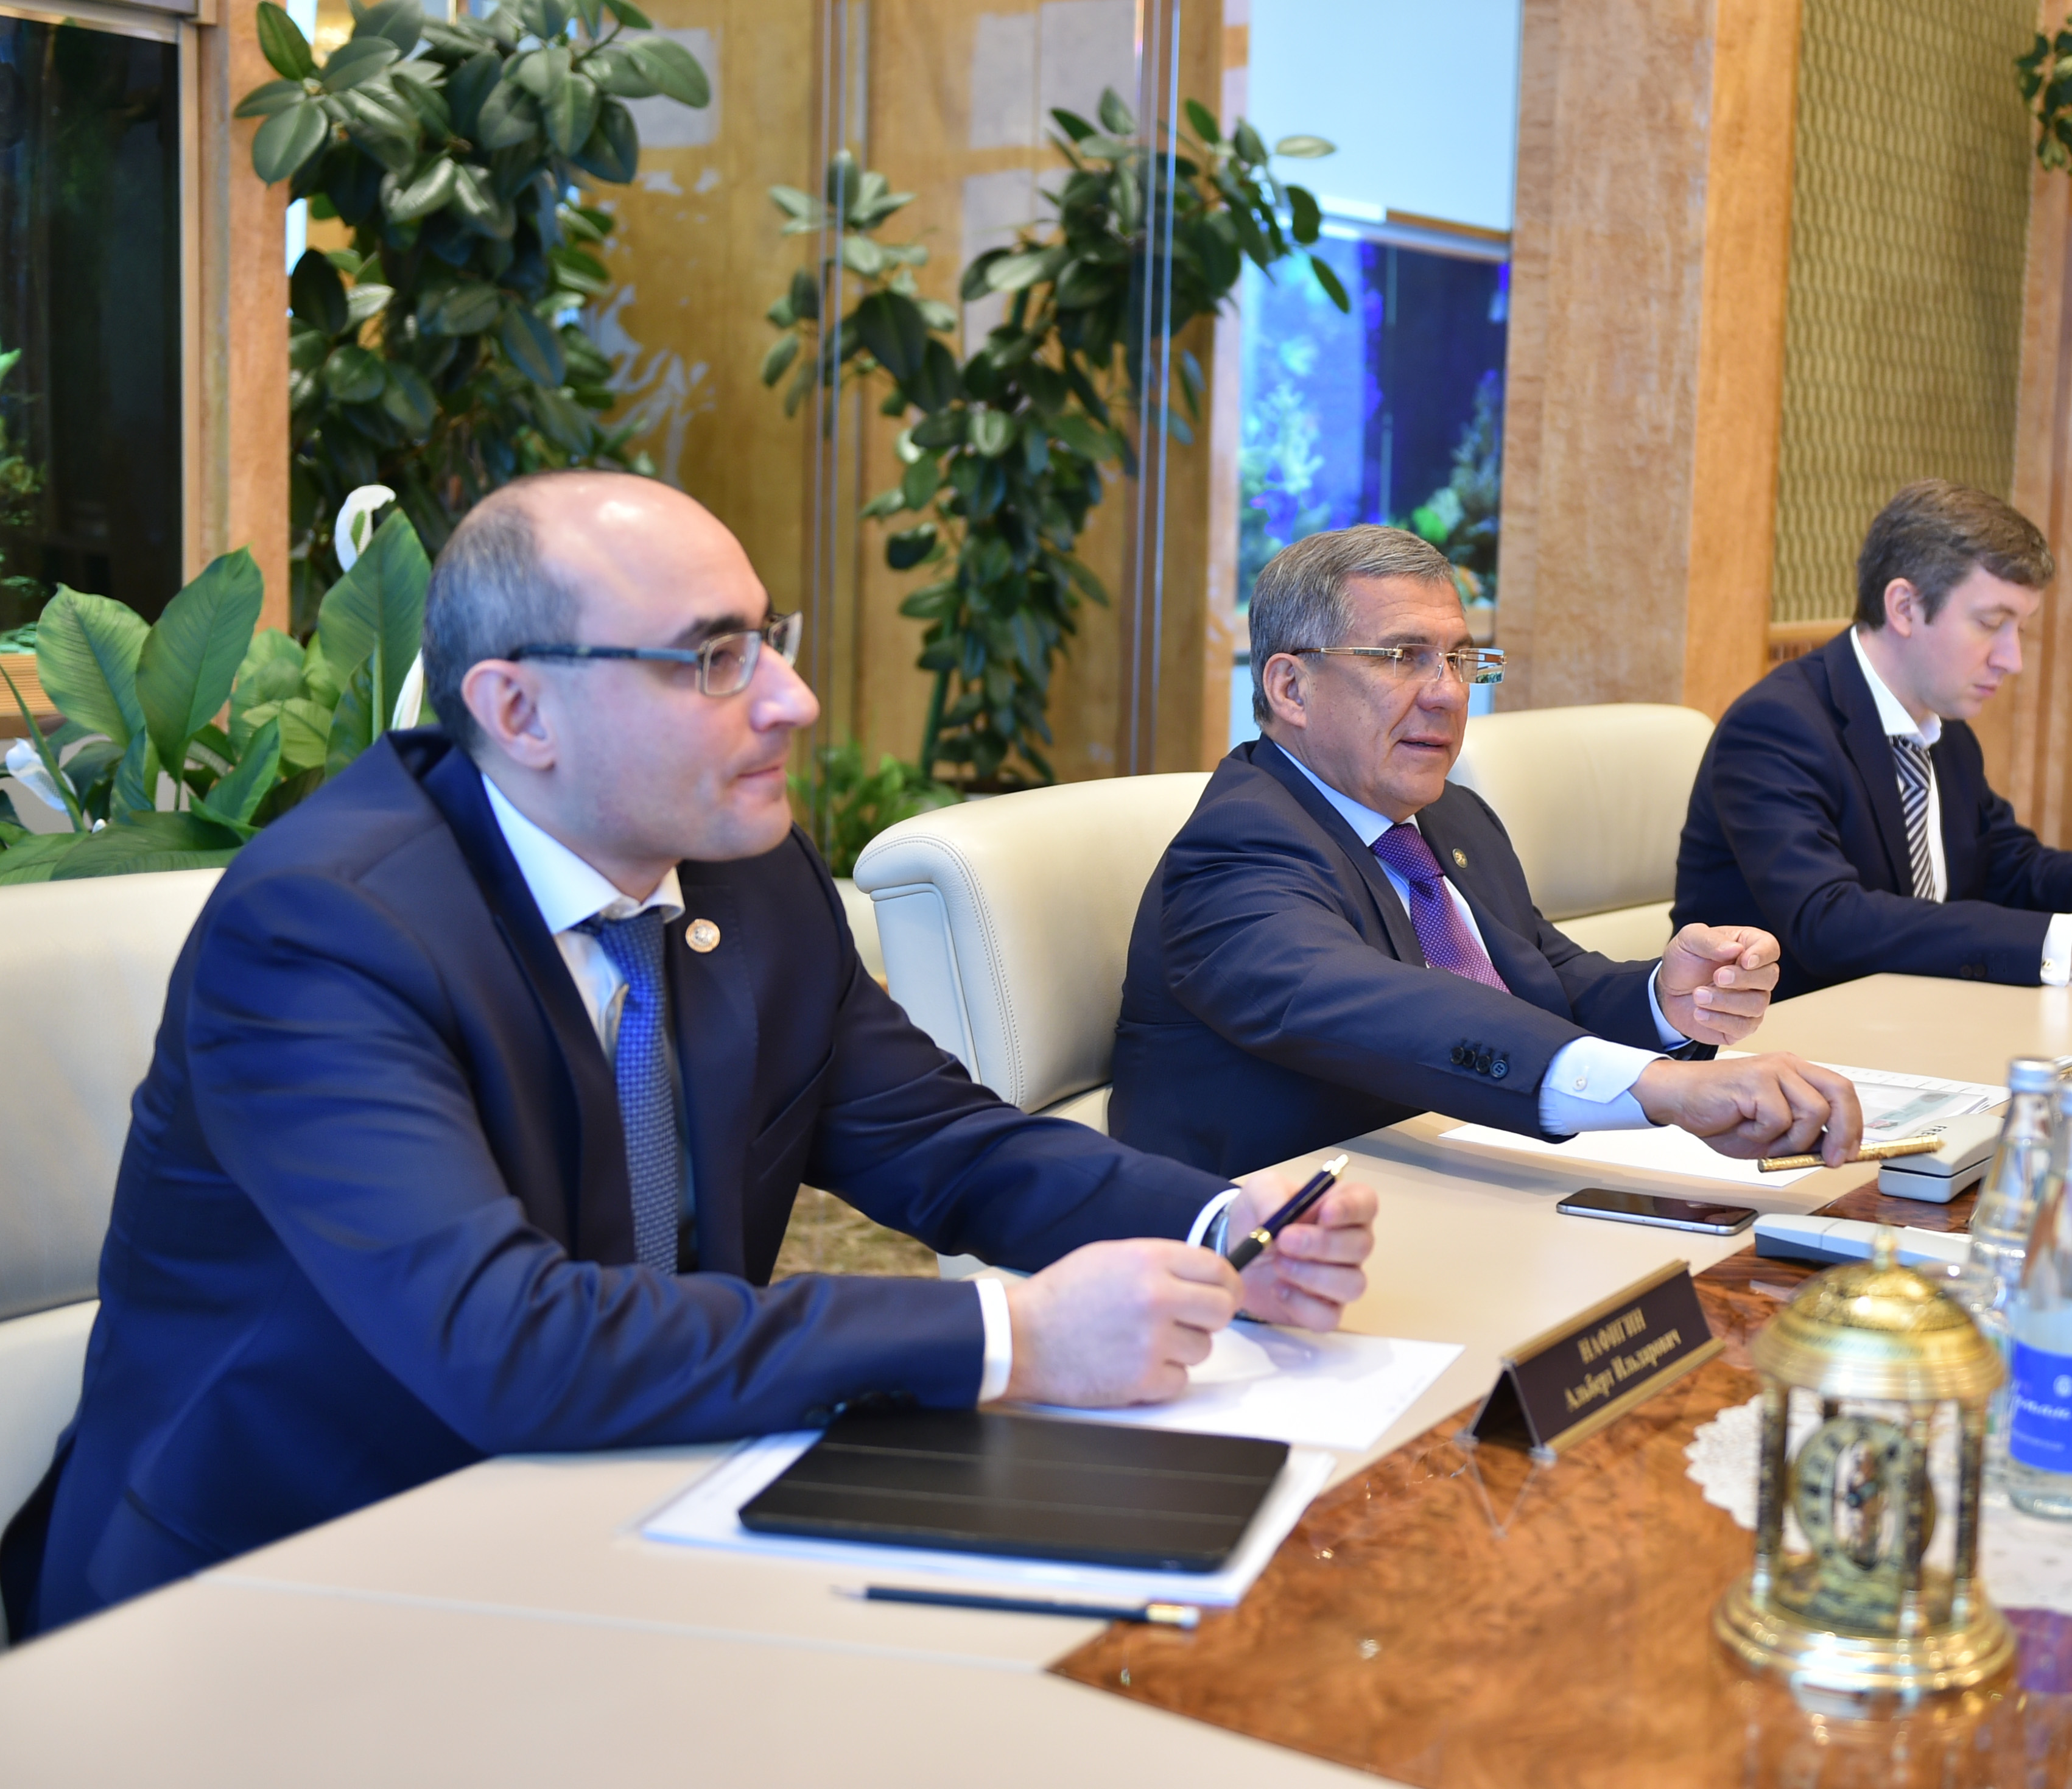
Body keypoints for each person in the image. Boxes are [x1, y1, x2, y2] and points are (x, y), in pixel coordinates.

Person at [2, 472, 1375, 1640]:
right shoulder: (323, 930)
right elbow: (506, 1338)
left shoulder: (747, 873)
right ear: (518, 710)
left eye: (766, 640)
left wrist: (1219, 1224)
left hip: (639, 1505)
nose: (794, 698)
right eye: (714, 658)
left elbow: (940, 1139)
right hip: (278, 1590)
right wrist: (1010, 1336)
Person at [1109, 525, 1863, 1181]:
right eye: (1404, 657)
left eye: (1461, 660)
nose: (1447, 693)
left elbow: (1546, 980)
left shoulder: (1450, 818)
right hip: (1273, 1244)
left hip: (1456, 1186)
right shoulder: (1236, 846)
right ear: (1291, 688)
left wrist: (1667, 999)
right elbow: (1391, 1011)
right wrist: (1656, 1086)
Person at [1671, 480, 2072, 998]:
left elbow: (2011, 870)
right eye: (1991, 624)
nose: (2012, 659)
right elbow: (1829, 922)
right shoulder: (1777, 726)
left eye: (2020, 629)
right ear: (1904, 607)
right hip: (1777, 1048)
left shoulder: (1945, 732)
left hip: (1913, 1029)